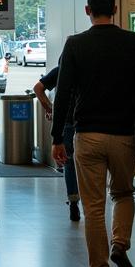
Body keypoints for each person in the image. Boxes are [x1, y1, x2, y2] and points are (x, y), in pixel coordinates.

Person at [51, 0, 135, 267]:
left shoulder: (76, 44)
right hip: (124, 135)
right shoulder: (134, 43)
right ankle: (120, 246)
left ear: (87, 10)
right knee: (123, 194)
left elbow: (62, 93)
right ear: (116, 9)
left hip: (88, 135)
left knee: (93, 208)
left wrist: (56, 138)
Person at [32, 60, 81, 221]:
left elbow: (38, 88)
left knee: (69, 162)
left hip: (66, 121)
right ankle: (89, 202)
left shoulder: (61, 69)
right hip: (86, 121)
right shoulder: (89, 66)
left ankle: (74, 201)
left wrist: (50, 107)